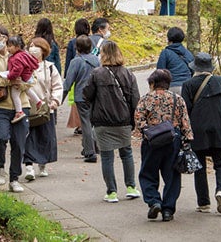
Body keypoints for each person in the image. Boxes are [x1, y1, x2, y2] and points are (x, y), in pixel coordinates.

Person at [181, 52, 221, 215]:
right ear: (210, 68)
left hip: (198, 130)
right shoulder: (220, 81)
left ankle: (203, 203)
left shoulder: (188, 84)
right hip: (219, 128)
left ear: (195, 68)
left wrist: (183, 132)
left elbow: (185, 111)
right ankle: (220, 190)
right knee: (220, 163)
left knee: (199, 166)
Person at [80, 40, 140, 203]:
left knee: (107, 157)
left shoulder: (97, 73)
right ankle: (131, 187)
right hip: (123, 120)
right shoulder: (128, 74)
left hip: (102, 121)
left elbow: (86, 94)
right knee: (126, 153)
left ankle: (112, 191)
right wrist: (134, 122)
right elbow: (135, 99)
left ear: (103, 55)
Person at [134, 68, 194, 222]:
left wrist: (146, 131)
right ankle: (168, 209)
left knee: (148, 173)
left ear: (153, 83)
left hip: (152, 141)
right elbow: (185, 122)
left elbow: (139, 119)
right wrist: (187, 140)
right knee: (172, 176)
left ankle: (154, 201)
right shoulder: (177, 99)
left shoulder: (146, 98)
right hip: (172, 140)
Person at [0, 26, 30, 192]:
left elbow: (32, 79)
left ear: (7, 38)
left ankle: (14, 178)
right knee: (1, 138)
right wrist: (7, 81)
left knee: (19, 143)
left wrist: (20, 83)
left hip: (21, 105)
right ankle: (0, 167)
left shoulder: (20, 54)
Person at [21, 37, 63, 181]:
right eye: (30, 46)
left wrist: (55, 101)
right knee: (28, 137)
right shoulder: (24, 66)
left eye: (35, 46)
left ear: (43, 50)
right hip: (28, 107)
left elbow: (57, 85)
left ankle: (42, 163)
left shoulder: (49, 67)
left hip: (45, 108)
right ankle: (28, 166)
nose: (32, 48)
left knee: (45, 136)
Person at [61, 34, 99, 162]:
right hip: (95, 95)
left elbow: (68, 82)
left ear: (77, 47)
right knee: (93, 122)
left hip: (81, 96)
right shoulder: (96, 60)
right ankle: (93, 146)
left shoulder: (76, 61)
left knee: (86, 124)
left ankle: (90, 152)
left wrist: (60, 99)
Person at [3, 35, 39, 123]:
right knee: (27, 89)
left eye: (10, 46)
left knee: (15, 95)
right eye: (7, 46)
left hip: (21, 78)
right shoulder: (24, 54)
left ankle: (19, 111)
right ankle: (38, 101)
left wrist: (9, 76)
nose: (8, 48)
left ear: (17, 47)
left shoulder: (16, 57)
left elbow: (17, 70)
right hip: (27, 77)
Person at [155, 27, 194, 94]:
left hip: (172, 87)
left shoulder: (165, 53)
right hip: (188, 88)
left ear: (169, 39)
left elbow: (160, 72)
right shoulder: (188, 53)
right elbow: (193, 70)